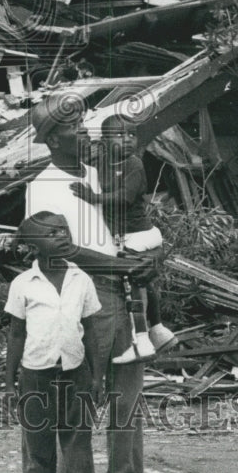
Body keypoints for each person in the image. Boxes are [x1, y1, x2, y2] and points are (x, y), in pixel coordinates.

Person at [23, 99, 160, 473]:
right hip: (76, 297)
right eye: (73, 127)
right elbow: (58, 249)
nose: (85, 133)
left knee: (127, 398)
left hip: (120, 293)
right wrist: (123, 265)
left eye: (84, 124)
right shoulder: (44, 186)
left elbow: (128, 217)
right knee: (74, 402)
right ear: (50, 139)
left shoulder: (100, 172)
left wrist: (145, 254)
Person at [5, 211, 102, 473]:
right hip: (35, 377)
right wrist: (8, 381)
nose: (63, 235)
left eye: (65, 229)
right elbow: (16, 334)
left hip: (75, 375)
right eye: (53, 232)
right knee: (37, 454)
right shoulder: (23, 285)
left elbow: (90, 330)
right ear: (33, 244)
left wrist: (97, 376)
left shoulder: (81, 279)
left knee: (77, 452)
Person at [69, 116, 176, 364]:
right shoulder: (103, 161)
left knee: (131, 277)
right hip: (127, 235)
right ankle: (158, 329)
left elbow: (124, 197)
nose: (127, 140)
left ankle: (141, 339)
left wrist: (93, 197)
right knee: (143, 280)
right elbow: (84, 155)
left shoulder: (134, 164)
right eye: (120, 135)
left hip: (141, 234)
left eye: (131, 135)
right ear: (104, 141)